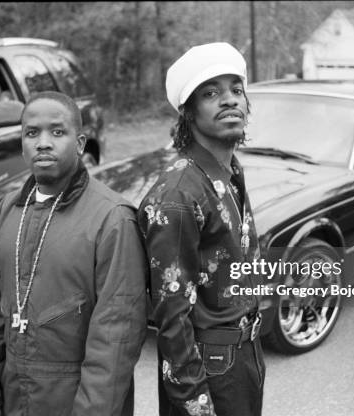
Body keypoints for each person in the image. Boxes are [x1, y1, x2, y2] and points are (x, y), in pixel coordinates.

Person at [0, 91, 147, 416]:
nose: (43, 143)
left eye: (57, 132)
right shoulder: (8, 211)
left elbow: (116, 335)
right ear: (21, 143)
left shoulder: (112, 219)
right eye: (32, 133)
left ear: (80, 144)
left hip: (75, 402)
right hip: (13, 398)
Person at [137, 42, 265, 416]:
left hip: (245, 354)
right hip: (210, 367)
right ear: (188, 113)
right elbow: (171, 318)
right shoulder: (177, 195)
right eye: (211, 93)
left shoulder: (231, 170)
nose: (229, 100)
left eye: (236, 90)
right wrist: (196, 402)